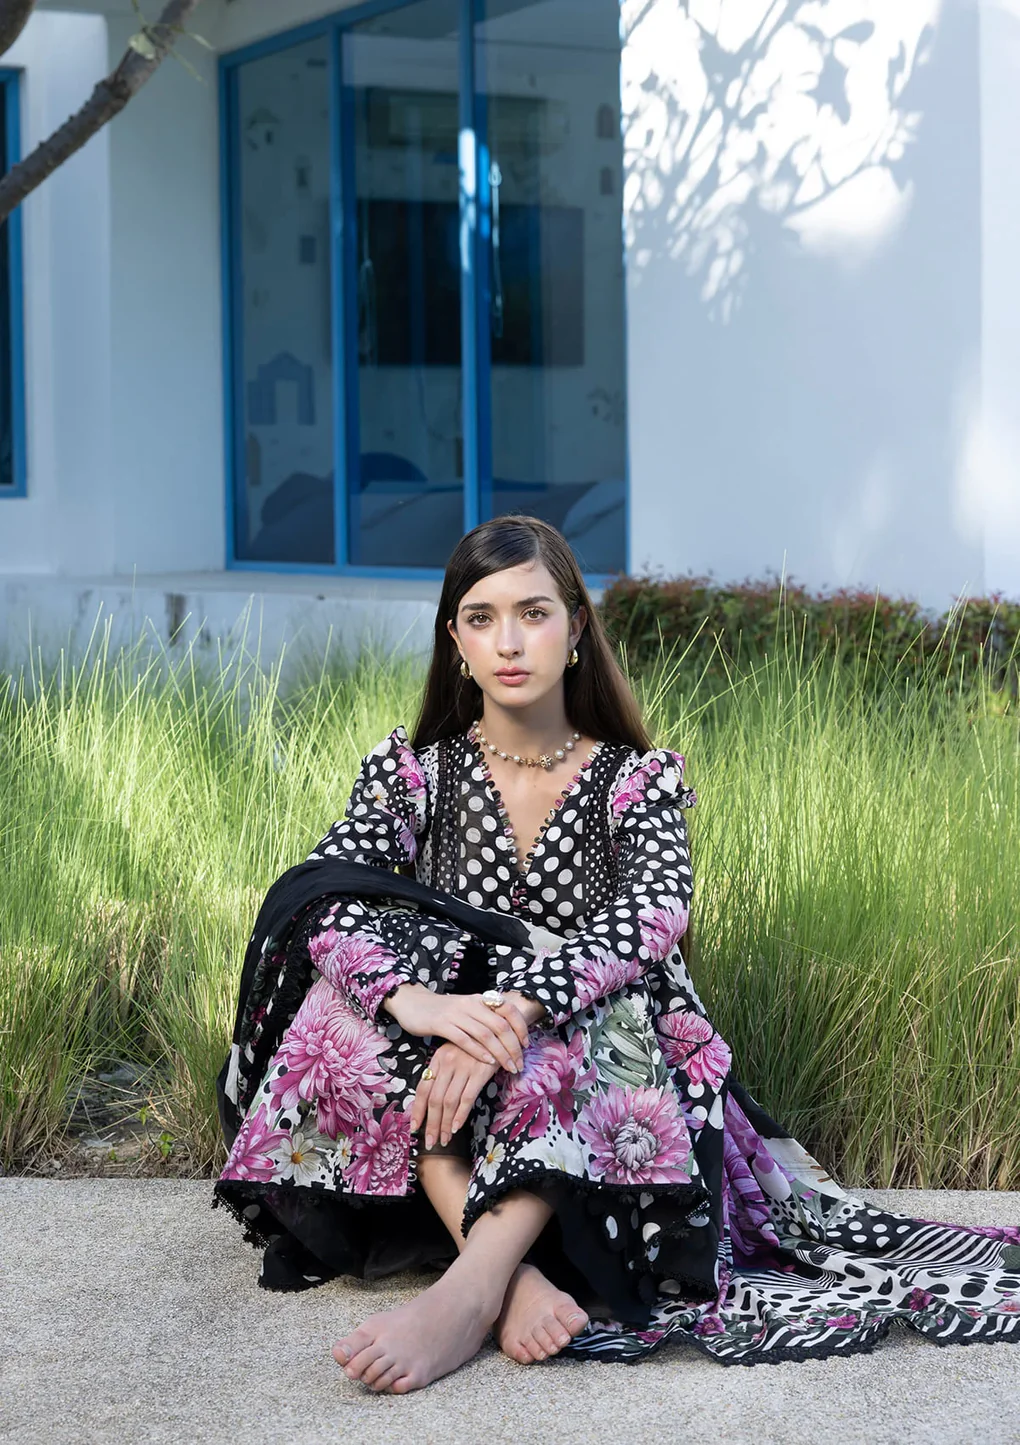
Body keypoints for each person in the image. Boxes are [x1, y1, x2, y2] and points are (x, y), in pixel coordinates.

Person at [212, 514, 1020, 1394]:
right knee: (348, 996)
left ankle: (469, 1288)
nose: (509, 641)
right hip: (442, 1090)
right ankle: (504, 1274)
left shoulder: (634, 781)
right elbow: (324, 896)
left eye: (533, 613)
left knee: (606, 997)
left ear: (576, 628)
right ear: (455, 641)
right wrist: (422, 1004)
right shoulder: (415, 776)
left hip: (603, 1100)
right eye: (481, 618)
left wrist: (518, 1006)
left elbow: (653, 913)